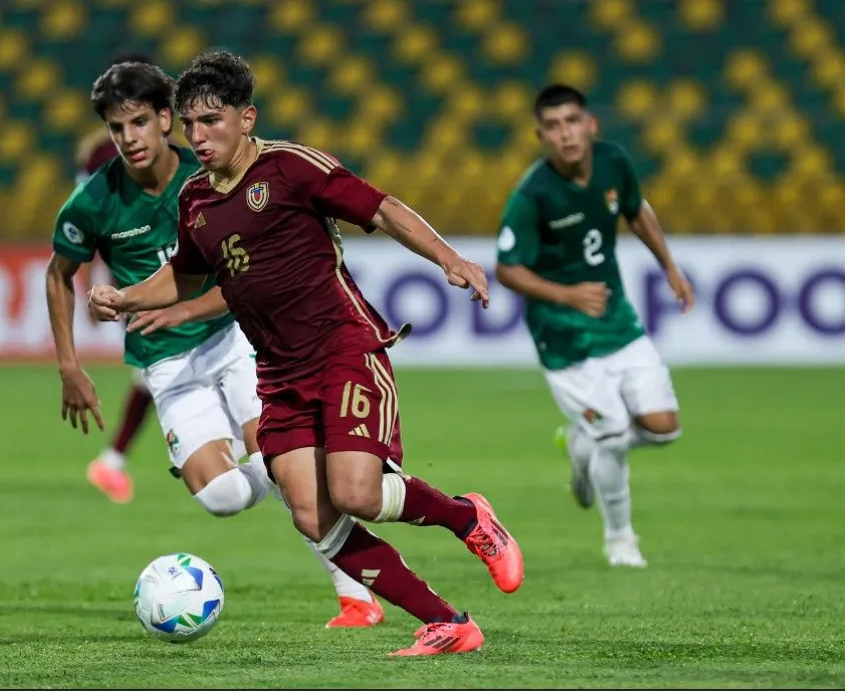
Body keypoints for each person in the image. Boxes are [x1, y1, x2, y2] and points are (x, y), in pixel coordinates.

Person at [87, 49, 524, 657]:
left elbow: (383, 207)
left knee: (356, 494)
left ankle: (467, 517)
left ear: (247, 118)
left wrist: (450, 259)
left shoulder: (291, 167)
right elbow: (186, 277)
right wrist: (127, 298)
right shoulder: (195, 201)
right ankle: (448, 622)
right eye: (189, 124)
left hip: (343, 348)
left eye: (211, 121)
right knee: (313, 517)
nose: (198, 135)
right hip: (279, 372)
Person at [45, 59, 385, 629]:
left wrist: (173, 306)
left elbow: (246, 283)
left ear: (164, 121)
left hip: (236, 341)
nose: (128, 139)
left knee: (277, 457)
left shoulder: (210, 181)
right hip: (165, 361)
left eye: (138, 124)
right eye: (115, 128)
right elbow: (58, 274)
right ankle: (295, 469)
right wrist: (68, 365)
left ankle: (355, 591)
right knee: (224, 497)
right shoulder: (93, 202)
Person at [493, 84, 695, 568]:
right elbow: (506, 268)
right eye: (554, 126)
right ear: (541, 135)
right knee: (613, 435)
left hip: (616, 320)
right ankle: (621, 540)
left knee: (664, 429)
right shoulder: (534, 193)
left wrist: (668, 264)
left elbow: (635, 209)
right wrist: (566, 294)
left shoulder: (613, 162)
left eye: (572, 121)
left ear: (590, 125)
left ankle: (585, 443)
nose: (566, 134)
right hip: (562, 336)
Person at [74, 51, 158, 505]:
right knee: (158, 371)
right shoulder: (149, 140)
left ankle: (112, 462)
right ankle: (112, 462)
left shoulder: (93, 150)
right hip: (145, 275)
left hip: (151, 271)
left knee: (156, 373)